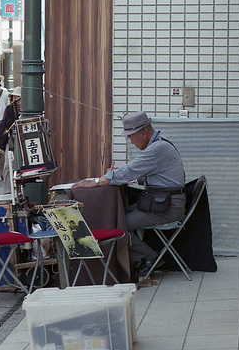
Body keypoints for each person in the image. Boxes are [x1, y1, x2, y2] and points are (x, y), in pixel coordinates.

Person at [72, 111, 186, 278]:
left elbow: (130, 169)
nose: (131, 142)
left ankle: (149, 257)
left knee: (119, 224)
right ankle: (141, 258)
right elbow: (152, 176)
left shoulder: (157, 148)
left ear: (142, 133)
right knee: (119, 216)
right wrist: (120, 178)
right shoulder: (160, 144)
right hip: (163, 202)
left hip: (169, 206)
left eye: (131, 137)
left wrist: (96, 182)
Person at [0, 86, 21, 194]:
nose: (16, 99)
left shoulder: (25, 110)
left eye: (19, 97)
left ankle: (19, 190)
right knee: (8, 166)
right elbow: (3, 124)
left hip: (22, 141)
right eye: (15, 96)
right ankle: (8, 191)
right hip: (11, 140)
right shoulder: (9, 109)